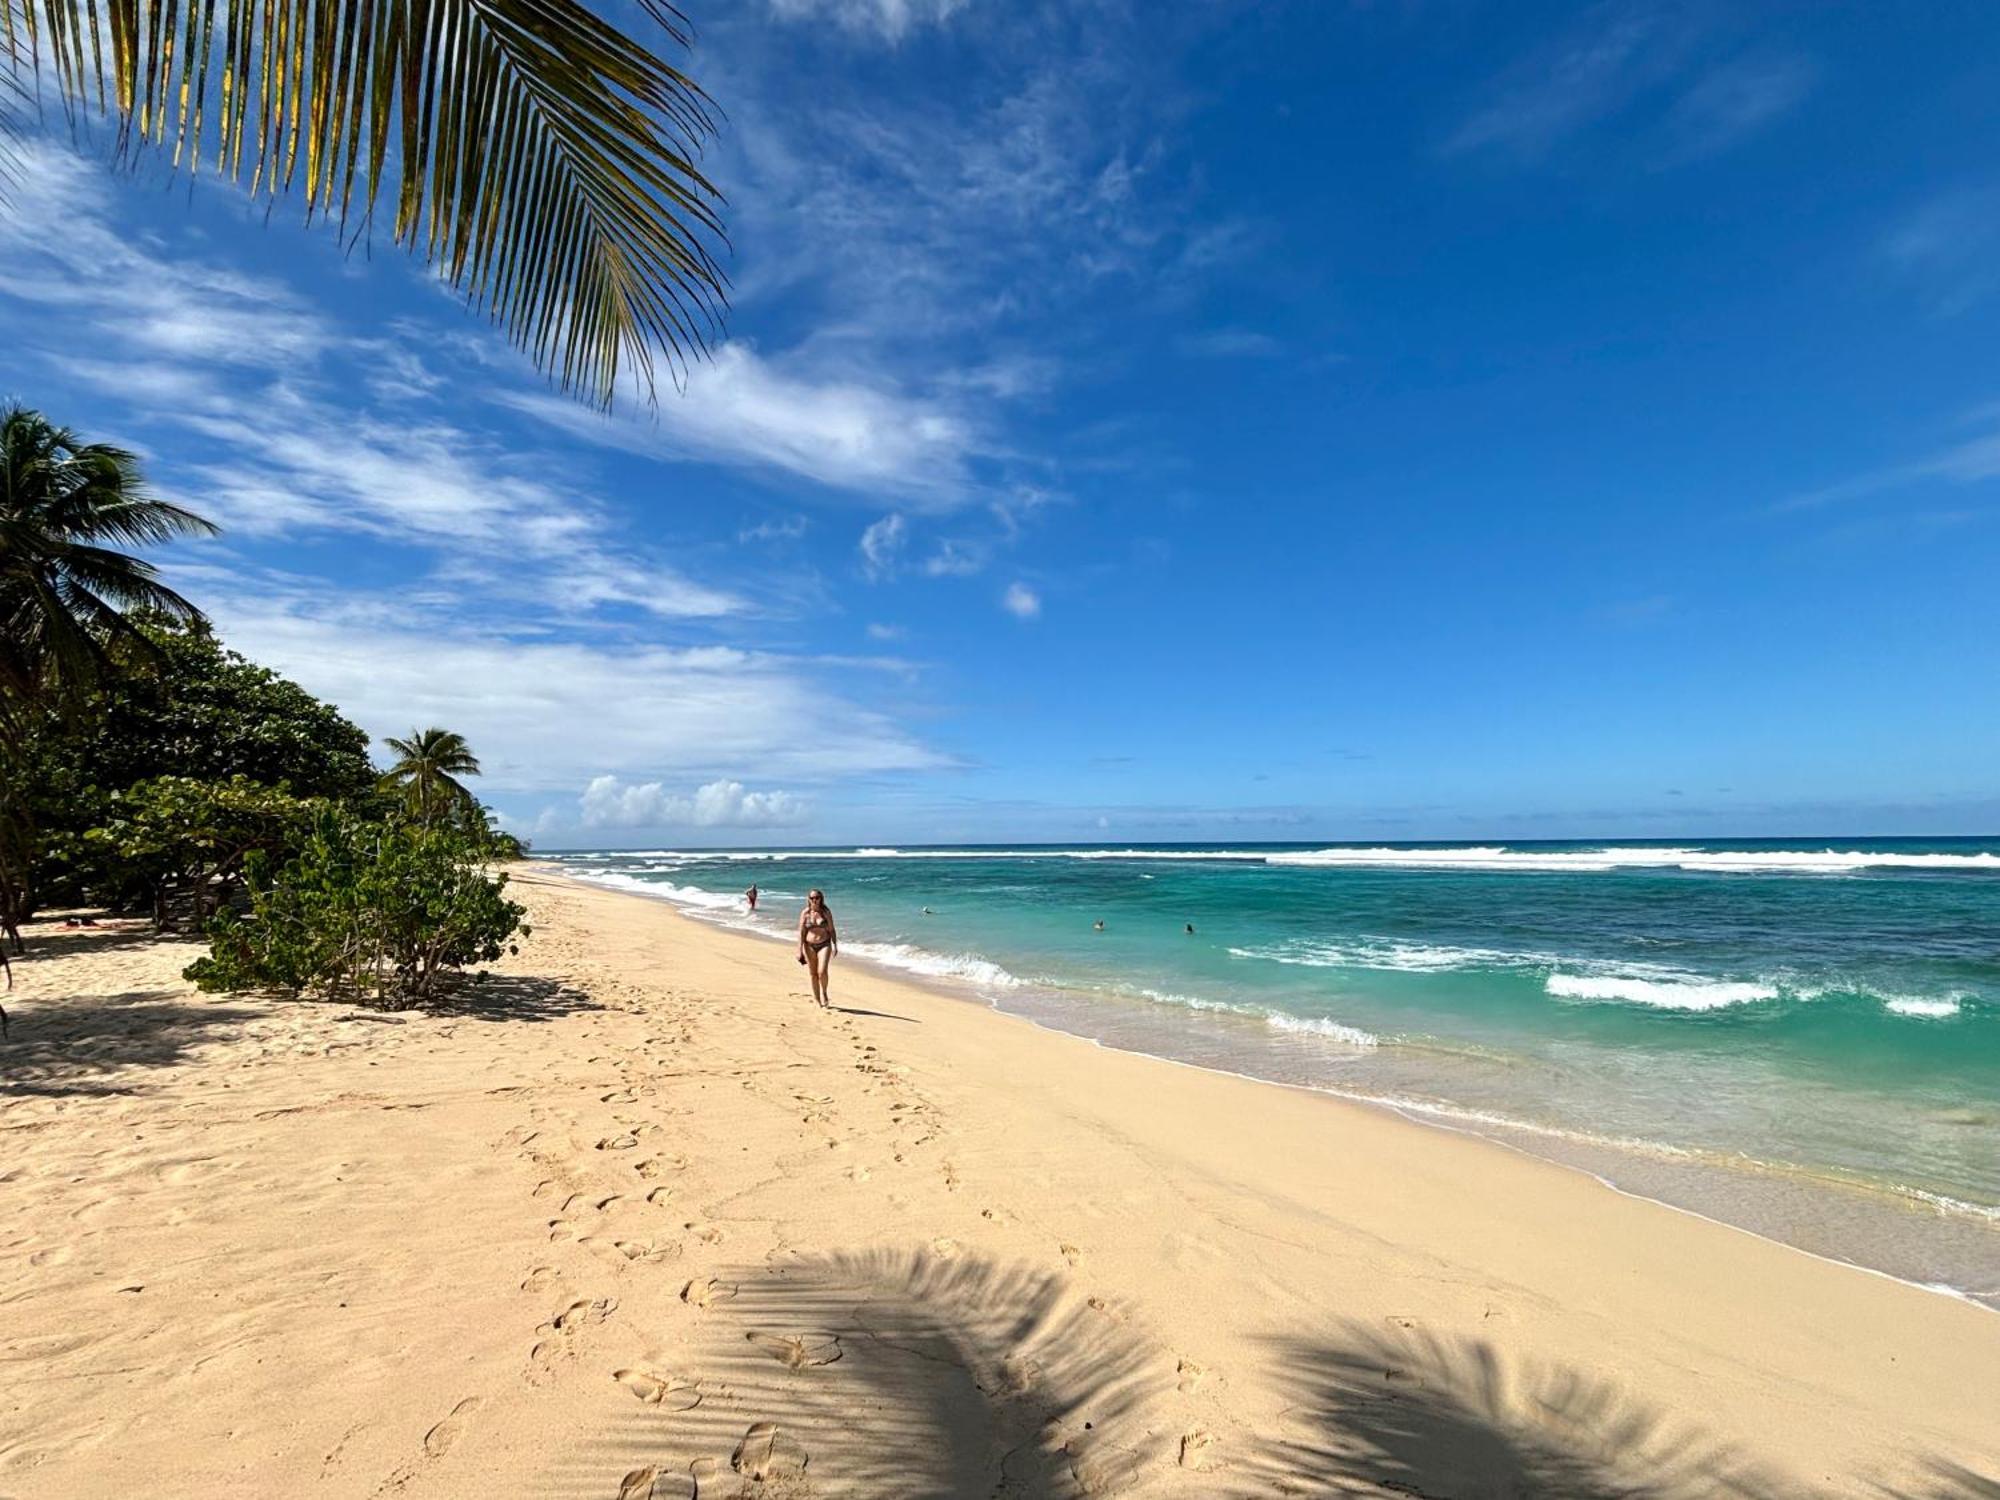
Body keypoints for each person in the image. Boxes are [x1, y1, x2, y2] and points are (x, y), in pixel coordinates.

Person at [797, 888, 838, 1008]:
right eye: (812, 898)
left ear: (821, 899)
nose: (815, 900)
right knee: (813, 973)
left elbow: (831, 929)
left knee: (822, 971)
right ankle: (817, 999)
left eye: (817, 898)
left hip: (824, 944)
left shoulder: (825, 912)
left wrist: (835, 945)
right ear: (808, 899)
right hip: (809, 945)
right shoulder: (805, 913)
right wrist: (799, 950)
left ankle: (824, 993)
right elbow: (801, 932)